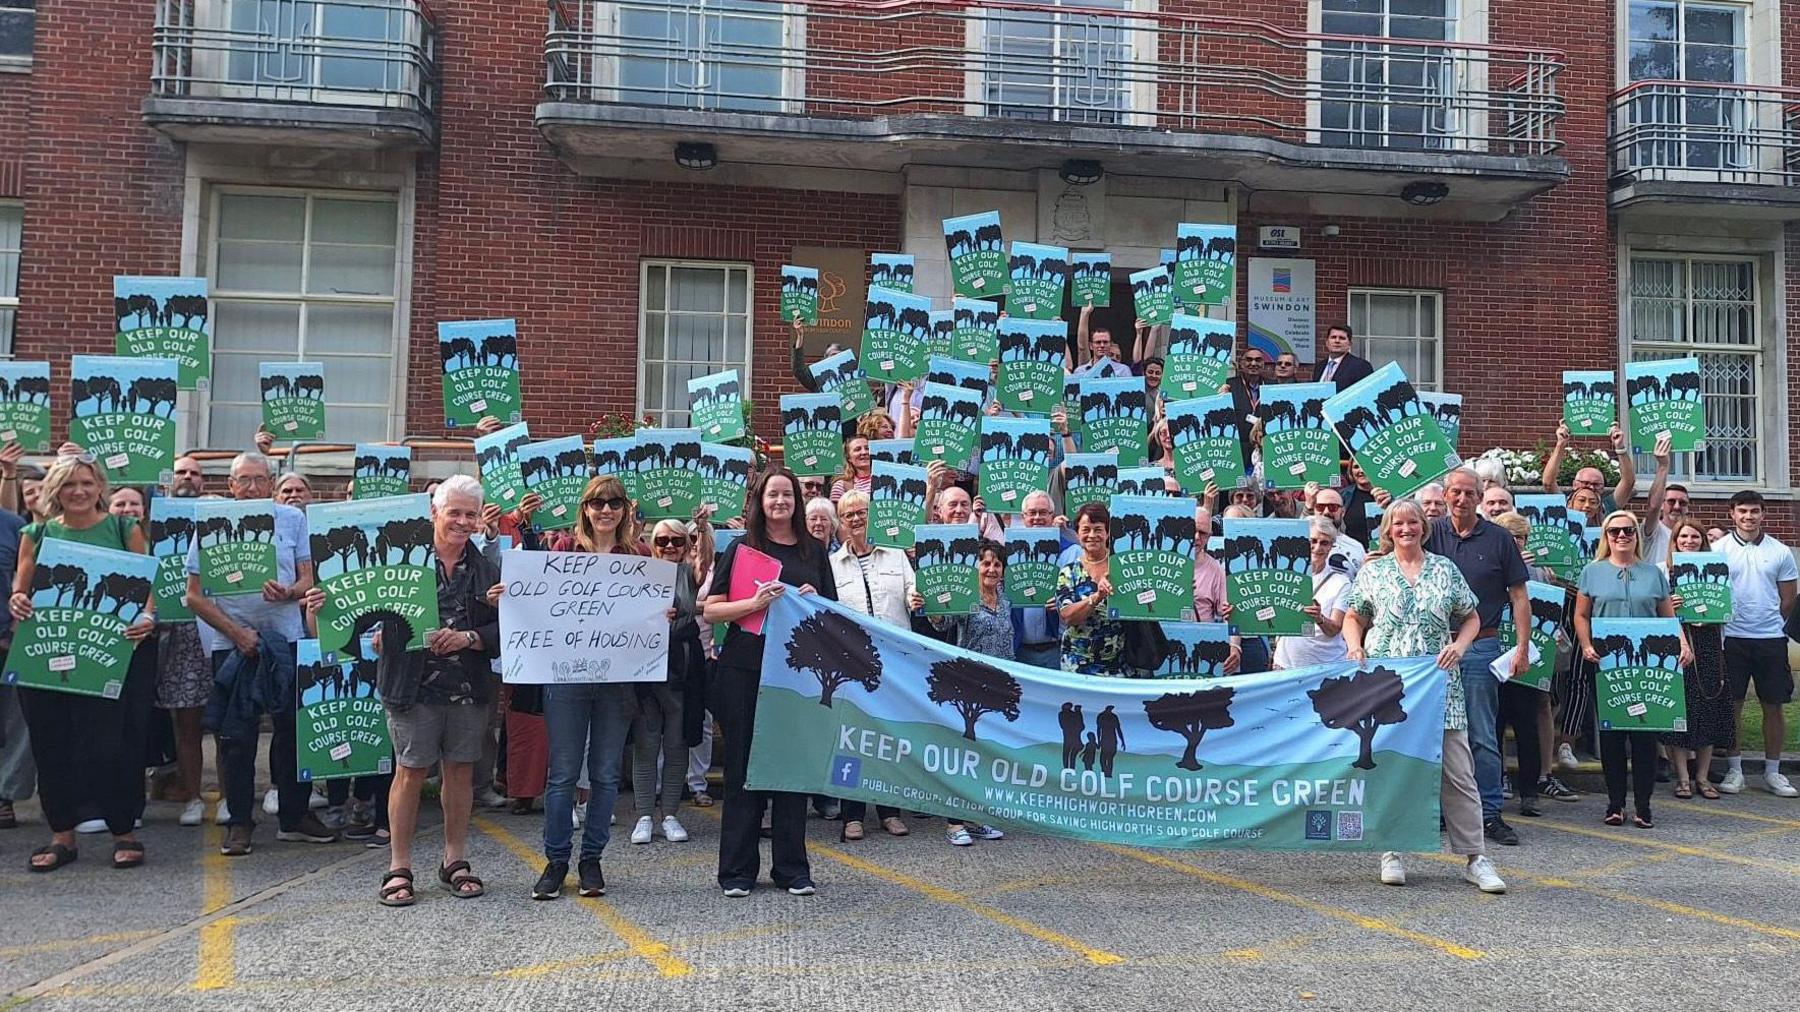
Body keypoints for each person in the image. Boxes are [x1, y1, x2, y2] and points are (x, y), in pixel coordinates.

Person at [1341, 500, 1505, 894]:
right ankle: (1392, 850)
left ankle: (1475, 857)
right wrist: (1354, 646)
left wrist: (1461, 647)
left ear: (1424, 527)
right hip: (1387, 685)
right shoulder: (1374, 572)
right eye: (1398, 523)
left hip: (1438, 685)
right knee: (1393, 768)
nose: (1406, 528)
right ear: (1388, 529)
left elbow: (1471, 616)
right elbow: (1354, 616)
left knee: (1458, 771)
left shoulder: (1445, 570)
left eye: (1413, 522)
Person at [11, 454, 156, 871]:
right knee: (51, 744)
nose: (78, 491)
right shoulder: (36, 533)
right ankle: (62, 836)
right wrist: (18, 600)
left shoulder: (123, 527)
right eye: (69, 484)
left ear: (99, 488)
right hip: (46, 653)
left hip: (107, 654)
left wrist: (147, 616)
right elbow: (21, 589)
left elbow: (146, 588)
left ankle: (123, 830)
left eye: (86, 483)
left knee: (109, 746)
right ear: (55, 490)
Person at [186, 452, 332, 856]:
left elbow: (308, 578)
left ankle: (294, 816)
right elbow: (193, 597)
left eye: (259, 479)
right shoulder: (212, 525)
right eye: (243, 480)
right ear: (231, 486)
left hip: (285, 639)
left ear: (271, 482)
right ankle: (240, 823)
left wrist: (290, 592)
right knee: (236, 736)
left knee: (293, 731)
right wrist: (236, 633)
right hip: (232, 643)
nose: (251, 487)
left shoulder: (292, 520)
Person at [702, 468, 836, 898]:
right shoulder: (742, 548)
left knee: (791, 771)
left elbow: (834, 614)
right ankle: (737, 872)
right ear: (759, 501)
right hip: (744, 670)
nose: (780, 501)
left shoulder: (814, 550)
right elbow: (712, 610)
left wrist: (815, 602)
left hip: (796, 676)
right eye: (772, 495)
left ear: (797, 500)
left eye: (787, 495)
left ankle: (791, 869)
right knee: (743, 769)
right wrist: (754, 603)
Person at [529, 475, 643, 900]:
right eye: (598, 504)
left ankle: (591, 859)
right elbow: (539, 601)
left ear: (624, 510)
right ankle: (556, 860)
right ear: (585, 510)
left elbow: (652, 612)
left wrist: (660, 617)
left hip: (617, 682)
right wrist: (513, 596)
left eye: (614, 503)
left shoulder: (640, 555)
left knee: (606, 774)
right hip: (567, 677)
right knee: (561, 774)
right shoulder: (564, 552)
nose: (606, 511)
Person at [1425, 467, 1531, 848]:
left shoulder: (1500, 538)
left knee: (1482, 734)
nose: (1461, 499)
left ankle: (1489, 813)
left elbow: (1519, 596)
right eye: (1454, 492)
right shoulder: (1429, 531)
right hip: (1430, 648)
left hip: (1481, 645)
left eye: (1469, 493)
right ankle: (1434, 812)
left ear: (1480, 496)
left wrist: (1521, 647)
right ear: (1446, 494)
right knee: (1431, 732)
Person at [1575, 510, 1691, 828]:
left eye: (1628, 531)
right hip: (1606, 662)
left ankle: (1643, 805)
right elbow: (1581, 615)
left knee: (1644, 736)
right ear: (1606, 537)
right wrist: (1586, 644)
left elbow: (1668, 616)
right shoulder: (1592, 571)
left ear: (1636, 535)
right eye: (1615, 532)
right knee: (1612, 735)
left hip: (1645, 666)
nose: (1622, 536)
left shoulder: (1653, 574)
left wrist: (1682, 643)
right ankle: (1614, 804)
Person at [829, 490, 922, 840]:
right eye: (849, 513)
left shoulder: (896, 555)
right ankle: (852, 815)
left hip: (895, 664)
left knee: (888, 737)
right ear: (841, 521)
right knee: (850, 739)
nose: (856, 518)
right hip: (851, 664)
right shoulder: (833, 565)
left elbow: (914, 592)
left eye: (861, 512)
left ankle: (889, 812)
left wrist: (915, 599)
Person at [1711, 490, 1798, 797]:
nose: (1749, 517)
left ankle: (1773, 772)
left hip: (1770, 639)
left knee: (1773, 706)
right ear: (1732, 514)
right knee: (1732, 705)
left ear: (1764, 514)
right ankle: (1735, 770)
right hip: (1731, 638)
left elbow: (1788, 599)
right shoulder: (1717, 549)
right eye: (1743, 511)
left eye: (1754, 511)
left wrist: (1769, 622)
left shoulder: (1780, 552)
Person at [627, 517, 707, 847]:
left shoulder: (691, 574)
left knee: (677, 745)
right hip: (648, 669)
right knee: (646, 744)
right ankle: (645, 814)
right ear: (652, 544)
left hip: (683, 669)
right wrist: (632, 527)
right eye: (662, 541)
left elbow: (705, 559)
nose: (670, 546)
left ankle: (670, 814)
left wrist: (702, 529)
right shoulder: (639, 571)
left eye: (677, 540)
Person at [1491, 511, 1579, 805]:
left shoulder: (1540, 573)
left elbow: (1551, 612)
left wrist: (1552, 632)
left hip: (1529, 657)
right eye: (1512, 537)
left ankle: (1531, 790)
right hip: (1495, 656)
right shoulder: (1489, 565)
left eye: (1523, 537)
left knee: (1527, 723)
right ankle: (1499, 778)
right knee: (1495, 722)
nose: (1518, 543)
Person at [151, 455, 214, 828]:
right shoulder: (158, 522)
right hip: (179, 634)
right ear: (169, 479)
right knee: (187, 725)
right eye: (181, 472)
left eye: (195, 472)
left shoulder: (215, 516)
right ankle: (192, 796)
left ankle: (229, 797)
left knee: (229, 724)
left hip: (222, 629)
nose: (188, 477)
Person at [1662, 519, 1733, 800]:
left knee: (1709, 707)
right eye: (1683, 537)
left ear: (1703, 541)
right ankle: (1682, 778)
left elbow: (1730, 608)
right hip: (1678, 647)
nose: (1689, 541)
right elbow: (1656, 611)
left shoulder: (1718, 572)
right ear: (1675, 541)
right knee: (1681, 710)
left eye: (1694, 537)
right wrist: (1671, 604)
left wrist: (1713, 614)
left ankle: (1702, 777)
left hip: (1710, 645)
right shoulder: (1664, 573)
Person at [1055, 503, 1127, 677]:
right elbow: (1067, 616)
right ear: (1077, 533)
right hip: (1077, 665)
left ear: (1108, 533)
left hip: (1119, 665)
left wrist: (1183, 587)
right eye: (1086, 529)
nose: (1092, 535)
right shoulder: (1069, 572)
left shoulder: (1124, 566)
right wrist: (1096, 597)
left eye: (1098, 529)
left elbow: (1146, 602)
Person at [1272, 516, 1350, 669]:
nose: (1317, 547)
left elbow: (1335, 628)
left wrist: (1319, 618)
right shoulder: (1281, 576)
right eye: (1312, 541)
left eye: (1324, 543)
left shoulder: (1342, 582)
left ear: (1331, 546)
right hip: (1285, 664)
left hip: (1325, 668)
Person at [1008, 490, 1066, 668]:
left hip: (1056, 650)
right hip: (1019, 650)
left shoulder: (1071, 551)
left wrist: (1063, 602)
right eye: (1032, 513)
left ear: (1052, 516)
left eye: (1043, 512)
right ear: (1023, 517)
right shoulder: (1008, 551)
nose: (1037, 517)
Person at [1540, 421, 1635, 510]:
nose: (1591, 488)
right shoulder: (1565, 505)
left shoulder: (1607, 506)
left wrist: (1620, 446)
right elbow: (1548, 483)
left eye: (1596, 484)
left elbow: (1628, 482)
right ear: (1574, 485)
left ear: (1602, 488)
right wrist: (1560, 444)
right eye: (1585, 483)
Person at [1311, 323, 1373, 390]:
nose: (1337, 341)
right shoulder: (1319, 367)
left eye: (1342, 338)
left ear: (1350, 344)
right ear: (1327, 343)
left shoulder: (1361, 366)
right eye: (1333, 337)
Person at [829, 436, 872, 504]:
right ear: (849, 458)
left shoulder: (886, 479)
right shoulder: (841, 486)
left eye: (867, 448)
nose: (864, 452)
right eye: (857, 449)